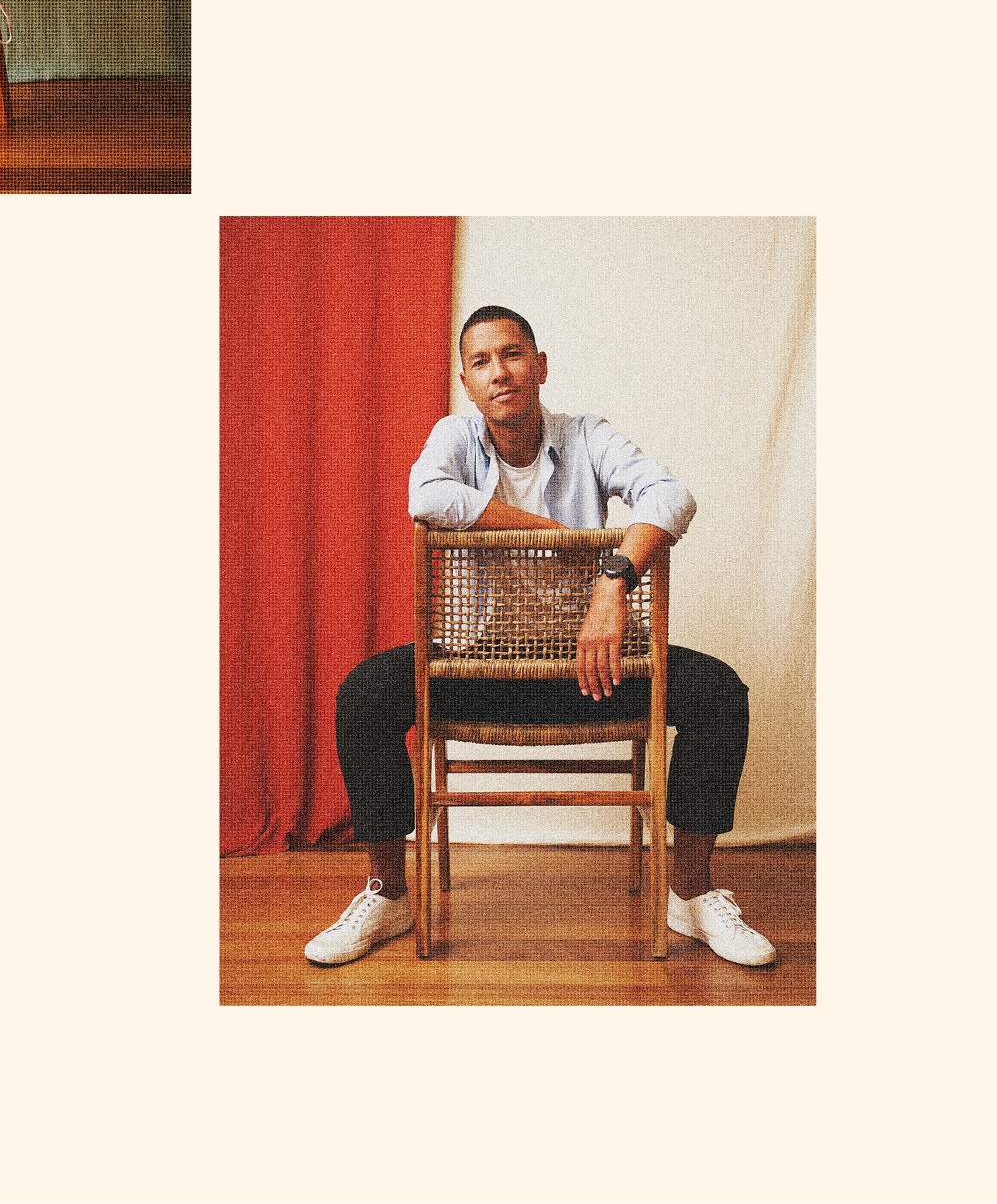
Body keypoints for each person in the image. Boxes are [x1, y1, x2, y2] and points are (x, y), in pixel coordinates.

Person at [305, 305, 779, 972]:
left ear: (540, 365)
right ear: (468, 383)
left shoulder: (587, 435)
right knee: (364, 694)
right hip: (478, 672)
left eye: (512, 354)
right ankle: (388, 895)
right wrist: (543, 530)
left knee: (718, 692)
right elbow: (426, 495)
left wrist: (612, 581)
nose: (499, 372)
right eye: (481, 361)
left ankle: (690, 894)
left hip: (592, 671)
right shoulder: (455, 437)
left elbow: (671, 496)